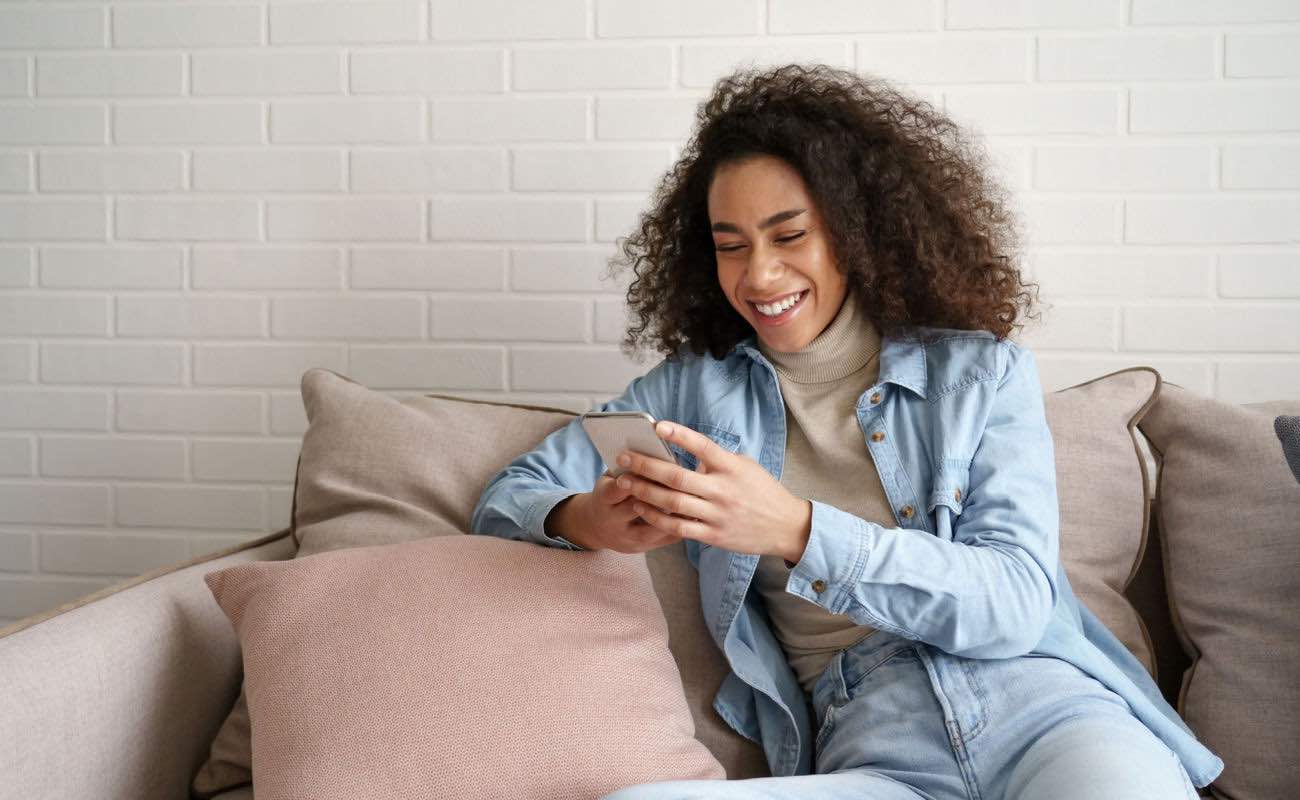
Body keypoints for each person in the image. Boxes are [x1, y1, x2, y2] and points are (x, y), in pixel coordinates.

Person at [470, 64, 1222, 799]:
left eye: (789, 235)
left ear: (856, 232)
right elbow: (510, 497)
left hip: (1049, 718)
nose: (759, 276)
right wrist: (587, 520)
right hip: (873, 747)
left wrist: (795, 528)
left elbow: (1016, 600)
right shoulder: (687, 391)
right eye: (730, 244)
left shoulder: (979, 376)